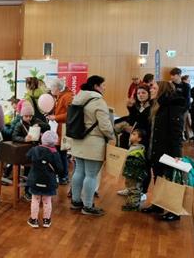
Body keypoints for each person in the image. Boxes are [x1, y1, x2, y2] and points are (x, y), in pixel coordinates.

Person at [69, 75, 115, 216]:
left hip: (77, 140)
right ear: (96, 86)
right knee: (91, 175)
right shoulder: (98, 101)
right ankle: (88, 206)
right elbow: (105, 125)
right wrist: (112, 136)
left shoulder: (77, 98)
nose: (105, 87)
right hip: (93, 142)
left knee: (78, 171)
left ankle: (76, 201)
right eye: (103, 85)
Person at [141, 81, 186, 221]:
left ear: (161, 90)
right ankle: (158, 205)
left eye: (154, 87)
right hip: (157, 149)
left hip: (168, 150)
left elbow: (176, 132)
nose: (151, 89)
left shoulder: (172, 106)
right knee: (159, 178)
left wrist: (177, 154)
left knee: (170, 181)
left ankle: (174, 211)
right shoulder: (157, 105)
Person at [26, 131, 63, 228]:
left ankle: (34, 220)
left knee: (35, 199)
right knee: (47, 201)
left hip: (35, 179)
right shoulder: (55, 153)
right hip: (49, 181)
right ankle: (46, 220)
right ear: (55, 141)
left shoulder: (35, 149)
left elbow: (27, 156)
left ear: (42, 139)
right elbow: (60, 169)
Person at [46, 78, 73, 185]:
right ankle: (62, 176)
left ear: (57, 88)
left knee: (61, 154)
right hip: (59, 130)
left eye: (52, 87)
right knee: (60, 153)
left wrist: (55, 117)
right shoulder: (62, 96)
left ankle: (63, 176)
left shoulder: (67, 97)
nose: (50, 89)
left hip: (63, 130)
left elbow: (70, 115)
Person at [121, 129, 147, 211]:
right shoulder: (133, 147)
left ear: (139, 139)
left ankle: (134, 206)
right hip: (129, 173)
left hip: (134, 174)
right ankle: (130, 203)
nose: (131, 135)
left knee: (134, 189)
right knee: (130, 187)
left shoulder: (139, 150)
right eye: (131, 134)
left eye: (134, 134)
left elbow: (137, 162)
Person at [169, 68, 191, 140]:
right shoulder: (170, 85)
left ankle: (181, 136)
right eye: (171, 75)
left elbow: (187, 99)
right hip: (172, 108)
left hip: (182, 109)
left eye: (173, 75)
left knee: (181, 124)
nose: (171, 77)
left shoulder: (186, 86)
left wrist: (184, 109)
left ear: (179, 75)